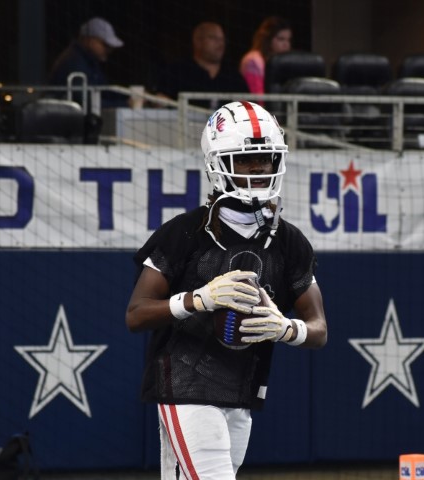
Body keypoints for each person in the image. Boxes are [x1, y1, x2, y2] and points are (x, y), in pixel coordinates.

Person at [125, 100, 327, 479]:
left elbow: (319, 329)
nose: (258, 168)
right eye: (245, 160)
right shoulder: (184, 232)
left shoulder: (289, 241)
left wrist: (287, 328)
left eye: (265, 158)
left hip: (240, 391)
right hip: (183, 385)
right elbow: (136, 314)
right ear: (216, 164)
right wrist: (197, 300)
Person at [155, 22, 249, 109]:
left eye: (222, 39)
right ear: (197, 41)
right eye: (213, 38)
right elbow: (160, 101)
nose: (220, 44)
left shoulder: (233, 76)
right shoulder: (177, 72)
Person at [48, 16, 126, 109]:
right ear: (90, 41)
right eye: (105, 45)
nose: (109, 50)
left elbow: (105, 91)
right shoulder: (75, 62)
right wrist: (126, 104)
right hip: (62, 116)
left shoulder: (89, 61)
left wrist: (131, 95)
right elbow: (85, 102)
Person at [239, 16, 292, 95]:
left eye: (289, 40)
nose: (286, 44)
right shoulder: (253, 61)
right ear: (268, 39)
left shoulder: (286, 64)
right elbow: (257, 97)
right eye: (281, 39)